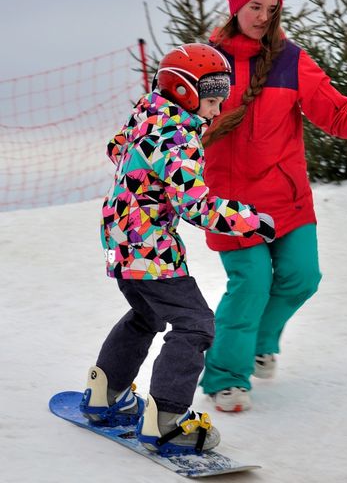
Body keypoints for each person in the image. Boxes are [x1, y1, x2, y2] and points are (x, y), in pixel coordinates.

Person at [199, 0, 347, 412]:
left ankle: (260, 341)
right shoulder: (208, 63)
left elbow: (335, 110)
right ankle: (226, 375)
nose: (263, 16)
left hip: (287, 198)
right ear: (236, 8)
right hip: (230, 202)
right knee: (251, 284)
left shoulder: (290, 59)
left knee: (302, 277)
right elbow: (172, 110)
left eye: (271, 8)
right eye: (254, 7)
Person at [79, 42, 276, 454]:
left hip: (119, 240)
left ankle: (105, 393)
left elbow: (117, 147)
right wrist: (252, 221)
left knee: (146, 314)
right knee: (196, 324)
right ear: (184, 93)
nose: (217, 109)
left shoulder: (147, 115)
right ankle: (167, 420)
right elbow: (196, 204)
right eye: (210, 100)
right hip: (150, 246)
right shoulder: (177, 137)